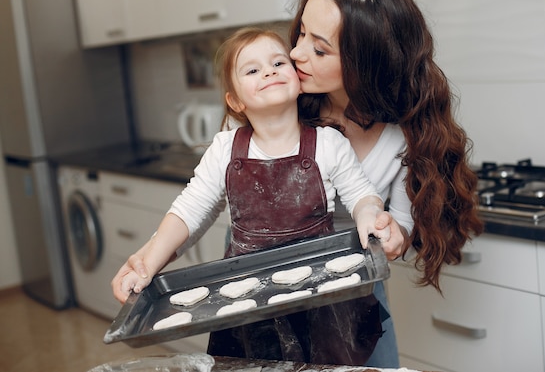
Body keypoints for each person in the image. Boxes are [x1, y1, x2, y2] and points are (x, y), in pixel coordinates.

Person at [111, 27, 398, 365]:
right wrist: (146, 264)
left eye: (278, 62)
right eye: (252, 70)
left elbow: (362, 196)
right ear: (236, 100)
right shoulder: (224, 149)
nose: (269, 71)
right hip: (249, 306)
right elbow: (189, 212)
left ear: (297, 78)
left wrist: (370, 216)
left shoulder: (328, 144)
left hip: (322, 300)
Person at [288, 0, 485, 367]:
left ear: (365, 64)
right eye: (301, 34)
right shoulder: (283, 106)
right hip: (275, 285)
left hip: (356, 289)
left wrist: (394, 235)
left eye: (319, 49)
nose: (295, 52)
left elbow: (401, 221)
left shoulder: (403, 134)